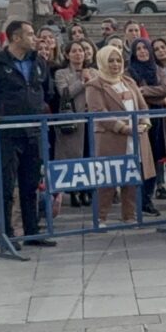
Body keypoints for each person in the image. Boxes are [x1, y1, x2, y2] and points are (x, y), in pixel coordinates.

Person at [85, 45, 156, 224]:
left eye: (118, 60)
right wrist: (124, 128)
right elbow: (99, 112)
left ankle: (129, 216)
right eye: (110, 60)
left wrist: (145, 123)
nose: (115, 64)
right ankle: (100, 218)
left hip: (136, 137)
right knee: (108, 180)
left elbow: (143, 107)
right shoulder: (94, 85)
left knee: (132, 177)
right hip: (111, 139)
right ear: (101, 62)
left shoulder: (129, 82)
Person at [129, 39, 166, 216]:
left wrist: (145, 91)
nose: (142, 51)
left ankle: (147, 198)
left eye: (145, 48)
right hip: (139, 118)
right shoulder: (129, 72)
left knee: (153, 159)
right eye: (138, 49)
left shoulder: (158, 70)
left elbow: (165, 89)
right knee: (139, 159)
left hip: (157, 119)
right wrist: (156, 97)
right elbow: (133, 94)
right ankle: (136, 200)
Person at [54, 41, 97, 207]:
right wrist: (82, 82)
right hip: (73, 119)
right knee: (73, 156)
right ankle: (73, 192)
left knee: (89, 154)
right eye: (74, 51)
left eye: (81, 50)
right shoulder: (61, 73)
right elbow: (65, 93)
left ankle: (87, 190)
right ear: (67, 54)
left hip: (91, 118)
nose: (78, 54)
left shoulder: (93, 71)